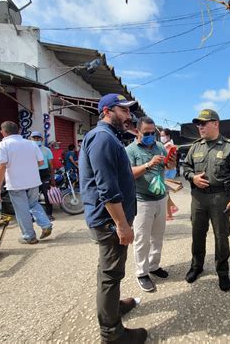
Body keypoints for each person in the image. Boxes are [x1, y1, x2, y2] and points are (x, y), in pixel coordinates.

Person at [79, 93, 147, 343]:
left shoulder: (108, 138)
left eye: (129, 111)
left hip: (110, 221)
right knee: (110, 275)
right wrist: (122, 225)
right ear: (107, 111)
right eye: (124, 110)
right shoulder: (102, 139)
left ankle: (113, 306)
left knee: (108, 272)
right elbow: (106, 188)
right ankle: (112, 334)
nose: (129, 116)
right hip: (110, 223)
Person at [182, 109, 230, 291]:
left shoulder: (229, 146)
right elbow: (186, 166)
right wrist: (192, 177)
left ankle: (223, 271)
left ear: (216, 123)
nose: (200, 127)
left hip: (221, 198)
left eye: (204, 123)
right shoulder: (195, 146)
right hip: (198, 198)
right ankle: (196, 266)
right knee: (197, 234)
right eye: (198, 124)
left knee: (221, 236)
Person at [126, 118, 175, 292]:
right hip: (142, 200)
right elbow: (129, 174)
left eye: (152, 133)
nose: (150, 136)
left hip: (160, 198)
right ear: (137, 132)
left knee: (157, 237)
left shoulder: (159, 147)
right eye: (146, 133)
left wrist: (171, 161)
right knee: (142, 239)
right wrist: (148, 164)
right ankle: (141, 272)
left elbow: (167, 167)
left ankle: (153, 266)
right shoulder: (130, 150)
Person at [0, 121, 52, 244]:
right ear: (19, 130)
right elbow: (41, 162)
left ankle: (29, 236)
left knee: (22, 210)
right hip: (33, 181)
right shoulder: (31, 144)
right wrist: (28, 167)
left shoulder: (2, 145)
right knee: (33, 204)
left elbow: (1, 167)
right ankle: (46, 224)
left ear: (3, 132)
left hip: (16, 183)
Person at [30, 131, 55, 221]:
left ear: (42, 139)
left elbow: (51, 165)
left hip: (44, 174)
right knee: (33, 197)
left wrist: (52, 179)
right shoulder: (28, 150)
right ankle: (33, 216)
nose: (36, 140)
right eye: (34, 138)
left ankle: (49, 214)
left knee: (47, 195)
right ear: (30, 139)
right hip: (33, 175)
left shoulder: (47, 150)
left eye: (38, 138)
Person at [160, 128, 179, 220]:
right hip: (168, 169)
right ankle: (172, 209)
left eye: (163, 135)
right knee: (165, 192)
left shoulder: (169, 146)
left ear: (168, 136)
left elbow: (168, 159)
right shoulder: (167, 145)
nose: (161, 137)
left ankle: (169, 215)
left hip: (168, 170)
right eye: (161, 135)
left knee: (165, 193)